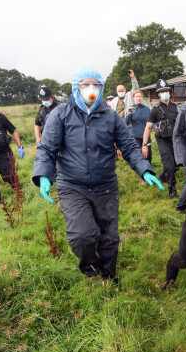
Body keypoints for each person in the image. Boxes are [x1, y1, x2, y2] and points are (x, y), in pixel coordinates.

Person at [32, 66, 163, 282]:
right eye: (86, 85)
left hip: (106, 186)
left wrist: (144, 169)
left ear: (101, 88)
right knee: (83, 235)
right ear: (77, 87)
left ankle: (109, 275)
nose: (91, 89)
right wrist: (44, 175)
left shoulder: (110, 117)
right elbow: (47, 148)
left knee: (109, 237)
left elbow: (129, 146)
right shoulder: (61, 114)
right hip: (72, 186)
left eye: (96, 85)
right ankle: (91, 270)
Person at [142, 79, 180, 198]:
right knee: (169, 164)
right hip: (163, 141)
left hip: (175, 140)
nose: (164, 93)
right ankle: (172, 189)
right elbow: (148, 128)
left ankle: (164, 176)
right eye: (162, 91)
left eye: (166, 90)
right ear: (158, 94)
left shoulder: (176, 107)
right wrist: (144, 145)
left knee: (175, 164)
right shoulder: (155, 109)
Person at [125, 89, 152, 180]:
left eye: (140, 96)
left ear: (142, 98)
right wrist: (128, 114)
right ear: (133, 98)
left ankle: (149, 171)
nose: (139, 98)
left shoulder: (147, 109)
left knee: (148, 154)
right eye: (137, 96)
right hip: (135, 135)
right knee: (139, 155)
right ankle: (142, 175)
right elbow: (126, 123)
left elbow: (151, 122)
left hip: (146, 135)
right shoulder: (131, 109)